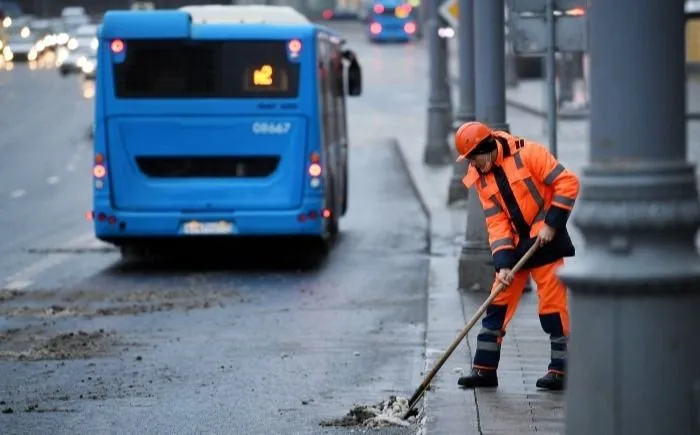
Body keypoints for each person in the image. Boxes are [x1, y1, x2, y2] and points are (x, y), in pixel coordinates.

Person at [454, 121, 580, 391]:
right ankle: (484, 369)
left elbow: (568, 182)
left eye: (476, 159)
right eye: (471, 162)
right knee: (497, 302)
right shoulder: (480, 177)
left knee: (552, 305)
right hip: (515, 246)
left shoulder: (529, 153)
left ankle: (561, 369)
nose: (475, 166)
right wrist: (502, 264)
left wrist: (551, 222)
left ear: (486, 147)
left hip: (545, 240)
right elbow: (496, 222)